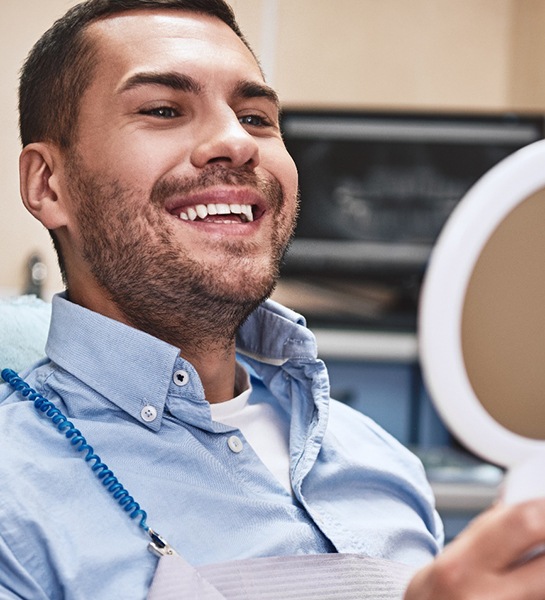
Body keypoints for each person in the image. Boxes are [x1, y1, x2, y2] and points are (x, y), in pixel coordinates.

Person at [2, 0, 545, 598]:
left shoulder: (383, 462)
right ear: (48, 184)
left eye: (257, 117)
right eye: (163, 109)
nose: (236, 142)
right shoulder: (16, 490)